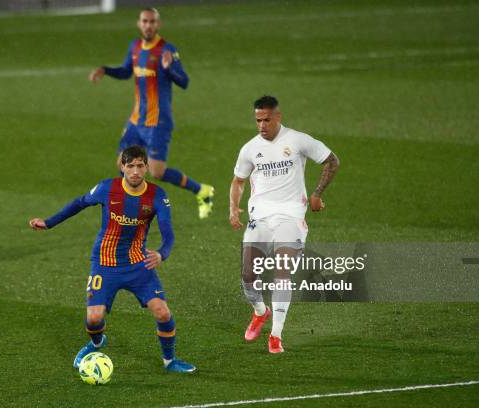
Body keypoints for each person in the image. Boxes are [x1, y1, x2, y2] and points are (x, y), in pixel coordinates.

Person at [29, 146, 196, 373]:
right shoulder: (107, 188)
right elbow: (79, 203)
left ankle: (170, 360)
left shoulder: (157, 196)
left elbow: (168, 232)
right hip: (105, 263)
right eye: (130, 166)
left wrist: (161, 253)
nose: (135, 171)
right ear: (122, 167)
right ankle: (97, 343)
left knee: (162, 312)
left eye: (140, 166)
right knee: (94, 318)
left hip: (138, 263)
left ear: (146, 167)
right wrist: (49, 222)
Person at [229, 96, 340, 353]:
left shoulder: (298, 140)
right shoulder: (249, 149)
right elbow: (238, 180)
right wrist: (233, 208)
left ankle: (276, 335)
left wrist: (317, 194)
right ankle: (260, 312)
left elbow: (332, 160)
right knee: (248, 275)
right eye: (258, 120)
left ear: (278, 117)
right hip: (261, 219)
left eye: (267, 119)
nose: (262, 125)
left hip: (291, 218)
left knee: (282, 273)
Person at [88, 7, 214, 219]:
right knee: (123, 163)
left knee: (157, 172)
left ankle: (202, 190)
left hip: (158, 122)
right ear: (139, 23)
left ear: (158, 25)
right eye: (145, 21)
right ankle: (133, 207)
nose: (148, 25)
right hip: (136, 120)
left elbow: (184, 82)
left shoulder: (167, 50)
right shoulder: (135, 46)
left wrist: (169, 68)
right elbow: (126, 71)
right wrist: (106, 70)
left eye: (152, 22)